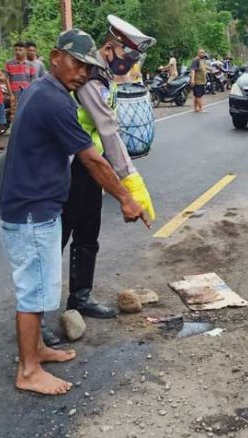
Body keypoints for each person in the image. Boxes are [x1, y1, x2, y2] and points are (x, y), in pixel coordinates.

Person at [0, 28, 147, 395]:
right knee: (33, 292)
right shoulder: (56, 101)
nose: (82, 72)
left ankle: (39, 350)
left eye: (88, 67)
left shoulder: (44, 91)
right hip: (31, 211)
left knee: (42, 286)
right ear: (55, 57)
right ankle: (28, 371)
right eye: (77, 63)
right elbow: (93, 161)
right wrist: (127, 199)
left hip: (34, 206)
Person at [39, 15, 158, 346]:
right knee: (56, 241)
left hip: (90, 165)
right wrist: (129, 180)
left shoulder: (104, 76)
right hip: (70, 165)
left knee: (88, 233)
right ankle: (37, 319)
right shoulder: (90, 79)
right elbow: (107, 129)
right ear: (111, 48)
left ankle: (80, 297)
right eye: (129, 57)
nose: (131, 64)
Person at [190, 48, 208, 112]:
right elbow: (193, 70)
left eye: (203, 52)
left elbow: (203, 67)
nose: (202, 54)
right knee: (199, 96)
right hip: (198, 81)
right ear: (198, 53)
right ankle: (200, 109)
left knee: (196, 95)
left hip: (201, 81)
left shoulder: (201, 60)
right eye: (201, 52)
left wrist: (210, 69)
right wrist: (192, 80)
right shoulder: (196, 60)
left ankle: (196, 108)